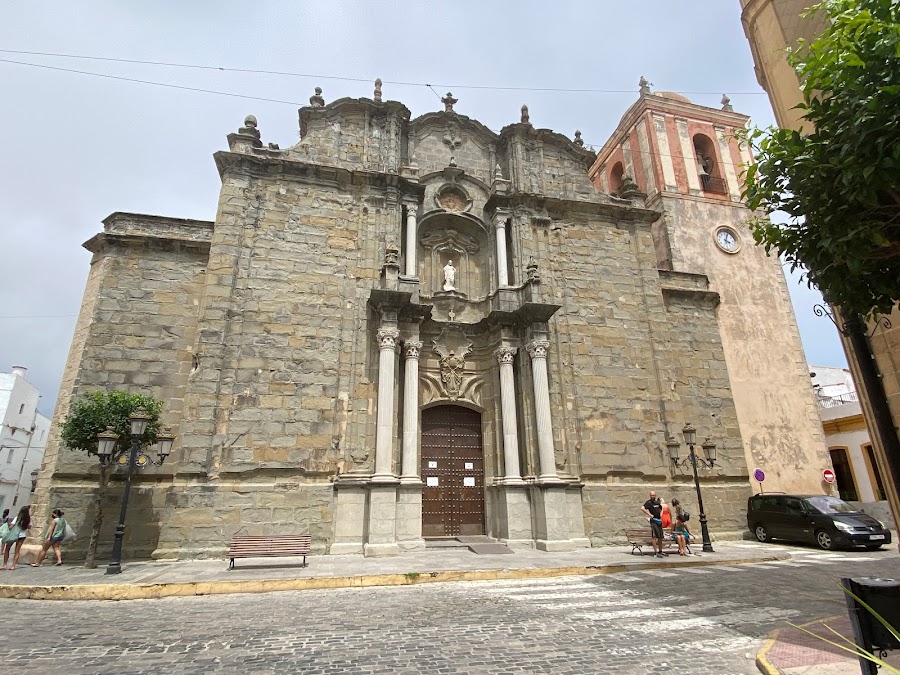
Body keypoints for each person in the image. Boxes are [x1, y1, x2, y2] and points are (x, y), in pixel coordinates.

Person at [1, 505, 31, 570]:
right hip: (22, 536)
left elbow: (11, 527)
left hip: (14, 535)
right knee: (17, 551)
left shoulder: (17, 518)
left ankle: (4, 565)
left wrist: (8, 525)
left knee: (7, 549)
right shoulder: (28, 519)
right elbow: (29, 527)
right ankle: (13, 565)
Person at [640, 490, 665, 558]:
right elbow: (642, 508)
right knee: (654, 536)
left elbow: (661, 508)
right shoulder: (649, 502)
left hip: (659, 520)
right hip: (654, 521)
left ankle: (660, 551)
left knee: (660, 537)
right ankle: (655, 552)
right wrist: (649, 514)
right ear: (650, 496)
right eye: (651, 495)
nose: (652, 496)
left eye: (653, 495)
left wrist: (661, 514)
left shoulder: (657, 502)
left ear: (655, 495)